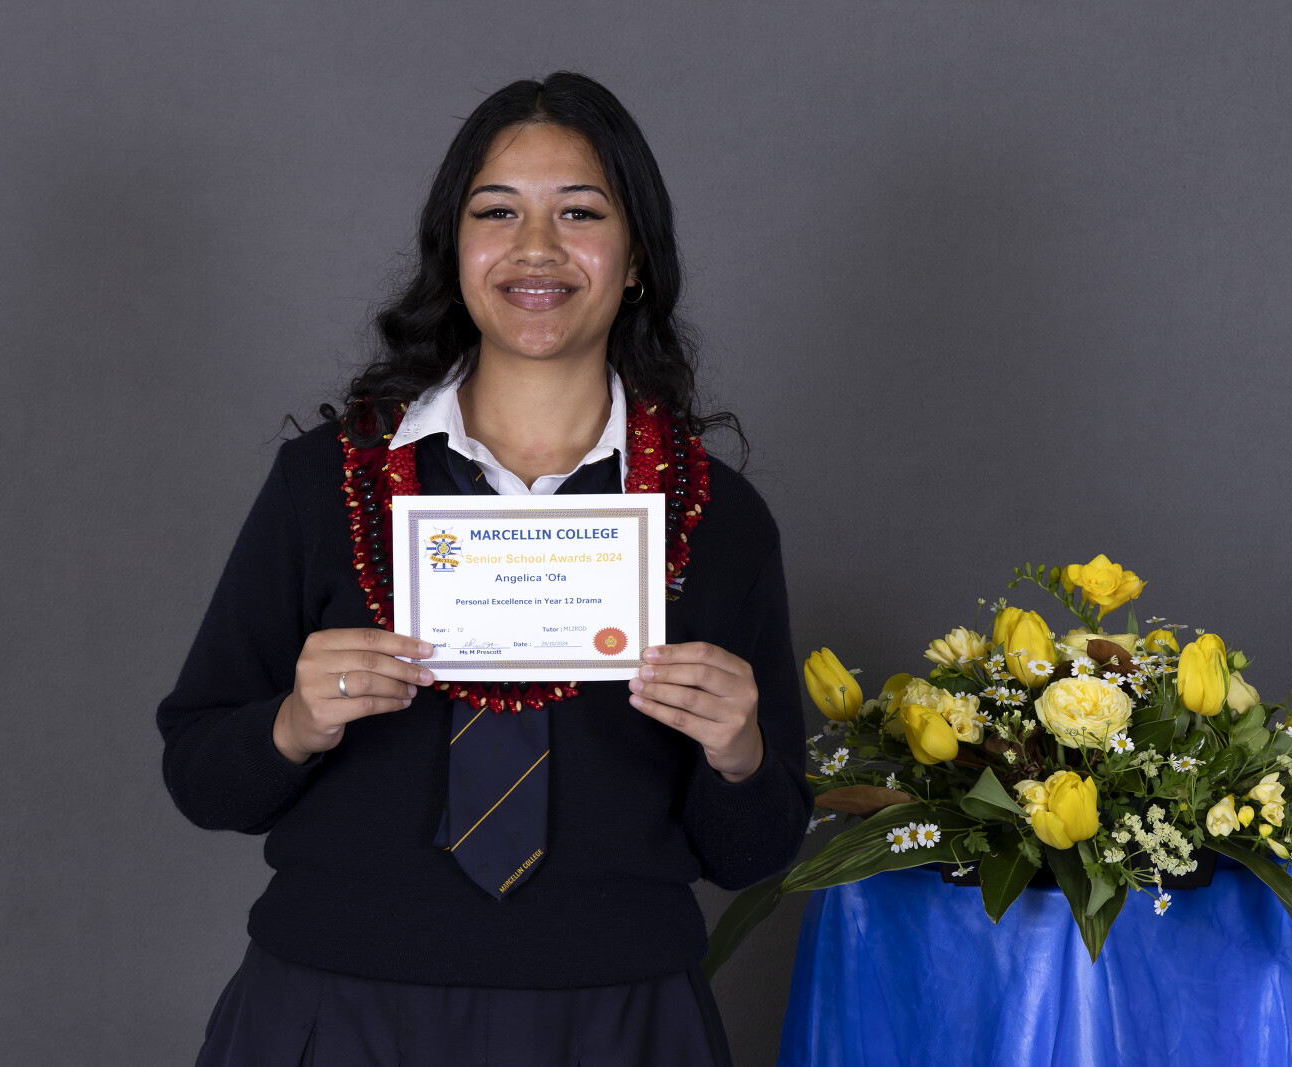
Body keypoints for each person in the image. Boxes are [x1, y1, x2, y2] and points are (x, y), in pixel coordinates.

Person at [157, 71, 812, 1066]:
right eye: (497, 211)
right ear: (454, 249)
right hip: (339, 1006)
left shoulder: (715, 517)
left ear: (636, 255)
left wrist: (741, 754)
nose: (535, 247)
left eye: (580, 212)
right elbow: (203, 781)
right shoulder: (326, 484)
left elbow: (753, 852)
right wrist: (293, 722)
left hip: (619, 1018)